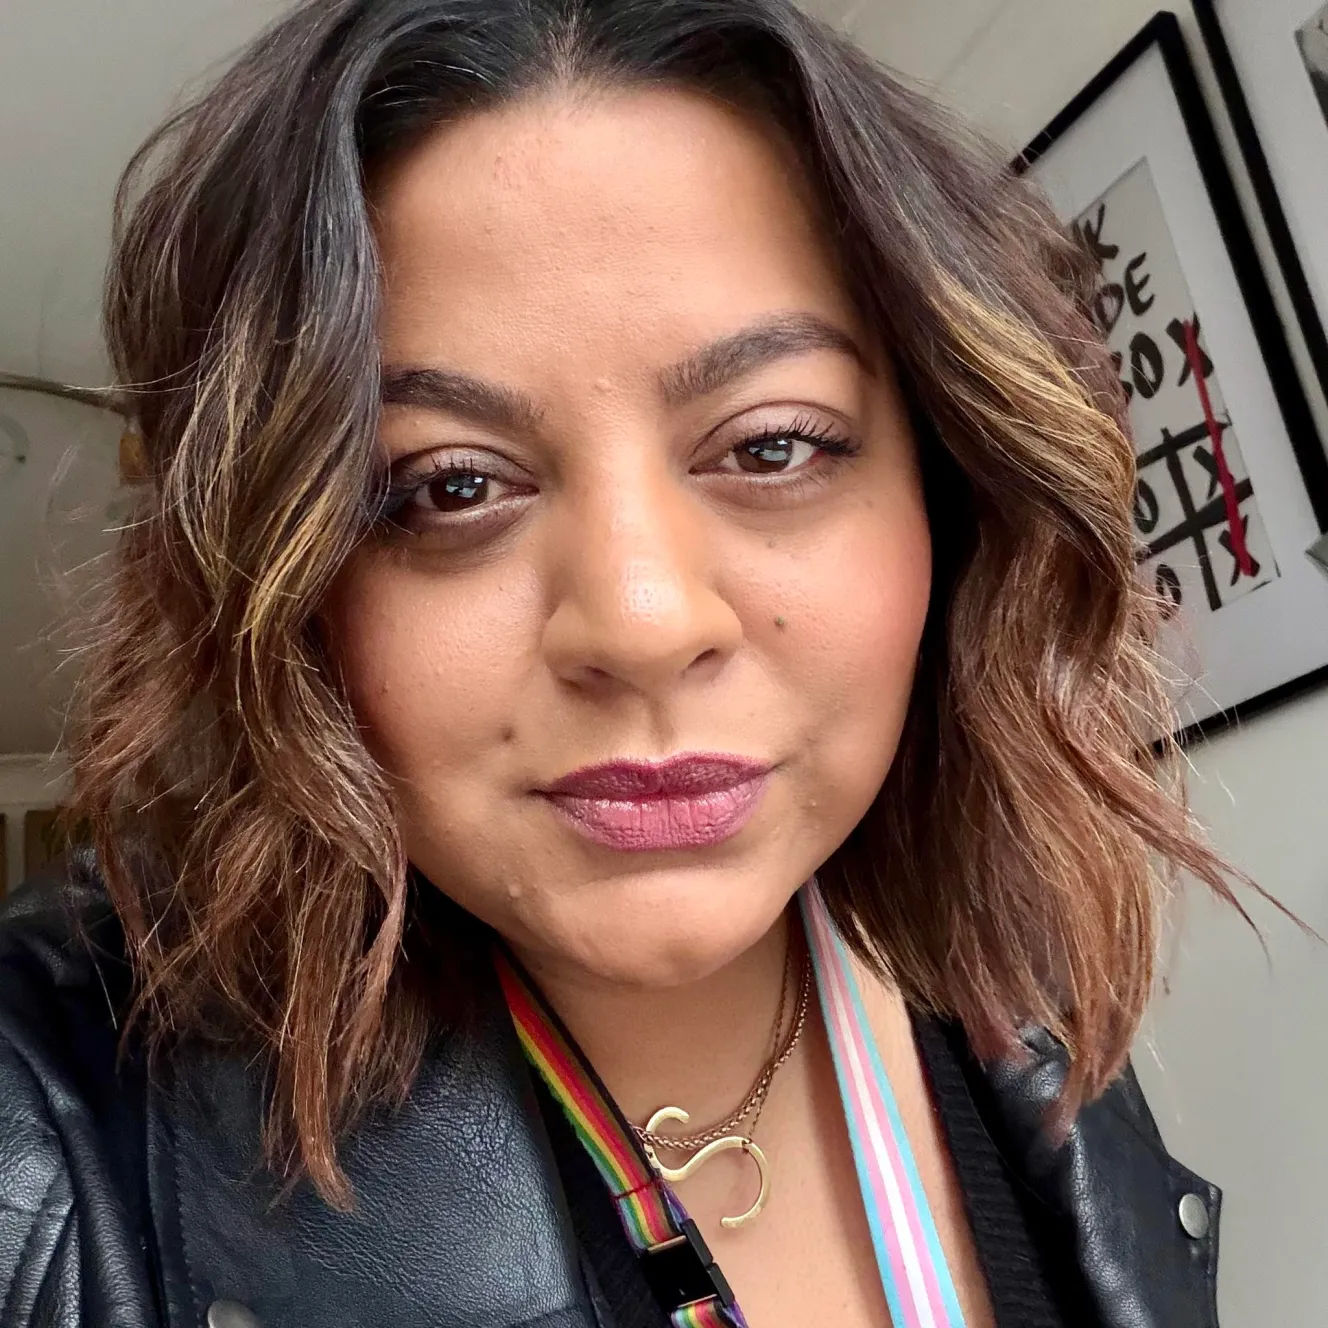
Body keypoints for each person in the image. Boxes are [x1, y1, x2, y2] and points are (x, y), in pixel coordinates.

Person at [0, 1, 1239, 1325]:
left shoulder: (1019, 980)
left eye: (772, 445)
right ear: (282, 583)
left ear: (949, 493)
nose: (644, 622)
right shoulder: (51, 1135)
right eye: (449, 483)